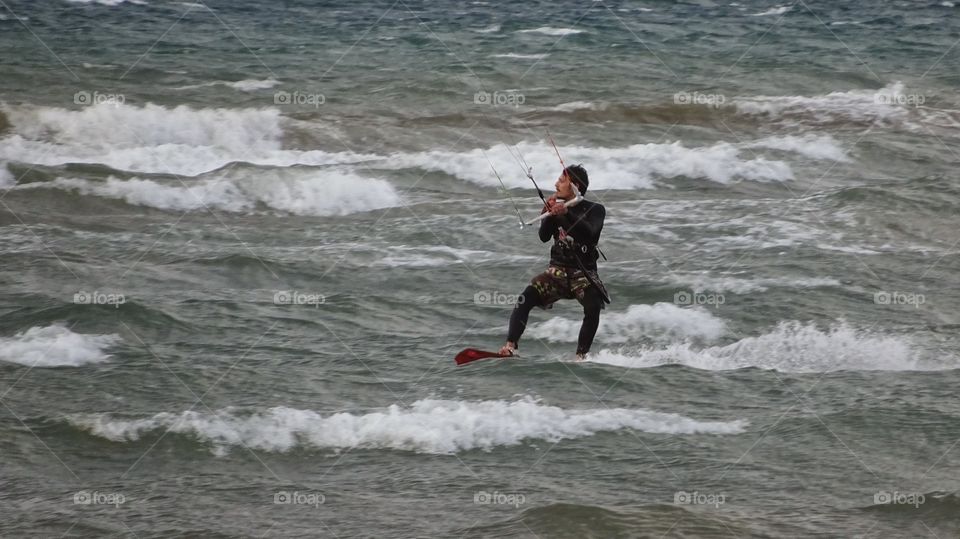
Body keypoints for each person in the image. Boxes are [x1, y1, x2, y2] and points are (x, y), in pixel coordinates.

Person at [499, 164, 609, 360]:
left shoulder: (595, 209)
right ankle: (510, 346)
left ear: (574, 186)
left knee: (593, 306)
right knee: (525, 298)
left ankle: (581, 357)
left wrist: (565, 214)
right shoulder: (556, 206)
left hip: (583, 274)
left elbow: (589, 234)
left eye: (561, 180)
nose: (556, 184)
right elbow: (543, 236)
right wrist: (549, 213)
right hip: (556, 272)